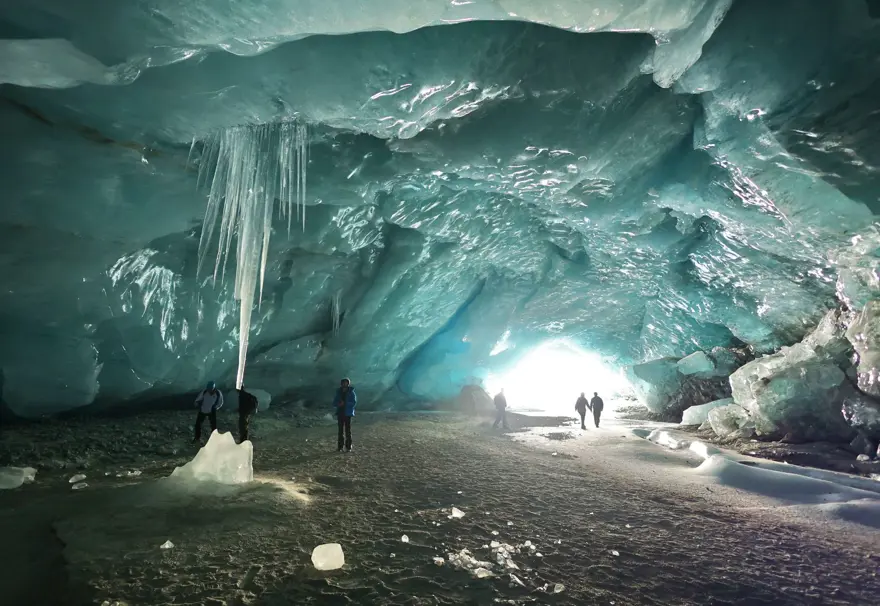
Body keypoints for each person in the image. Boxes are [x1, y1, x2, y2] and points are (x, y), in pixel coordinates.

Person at [333, 377, 357, 452]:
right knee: (340, 431)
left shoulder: (351, 392)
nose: (344, 384)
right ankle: (340, 447)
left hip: (347, 413)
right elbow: (334, 402)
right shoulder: (338, 392)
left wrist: (345, 403)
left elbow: (353, 402)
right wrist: (338, 404)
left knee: (348, 430)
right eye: (343, 383)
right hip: (340, 413)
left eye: (346, 383)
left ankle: (348, 447)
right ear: (341, 384)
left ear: (348, 384)